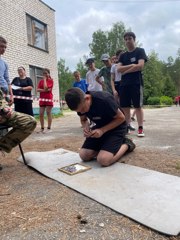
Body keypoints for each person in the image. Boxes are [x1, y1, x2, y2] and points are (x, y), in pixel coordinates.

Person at [65, 87, 135, 167]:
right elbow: (83, 120)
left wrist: (102, 130)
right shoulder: (80, 105)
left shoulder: (104, 99)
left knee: (103, 160)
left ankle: (127, 144)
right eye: (79, 111)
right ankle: (106, 148)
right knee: (84, 155)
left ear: (87, 98)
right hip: (100, 127)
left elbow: (121, 118)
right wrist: (86, 127)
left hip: (117, 127)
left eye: (83, 109)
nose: (82, 112)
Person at [117, 32, 147, 137]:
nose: (127, 41)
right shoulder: (123, 55)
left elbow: (140, 66)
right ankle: (128, 126)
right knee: (125, 106)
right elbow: (118, 69)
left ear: (134, 39)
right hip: (124, 84)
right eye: (125, 39)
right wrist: (132, 65)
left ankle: (140, 128)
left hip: (136, 83)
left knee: (138, 106)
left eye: (130, 38)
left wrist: (125, 71)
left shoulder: (140, 51)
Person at [0, 88, 37, 169]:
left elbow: (1, 100)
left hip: (3, 114)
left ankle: (2, 144)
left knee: (30, 122)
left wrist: (6, 108)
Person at [37, 68, 54, 133]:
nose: (44, 74)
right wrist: (44, 90)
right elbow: (38, 90)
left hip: (48, 98)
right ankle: (42, 128)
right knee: (41, 113)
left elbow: (46, 88)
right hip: (42, 99)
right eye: (43, 73)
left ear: (48, 74)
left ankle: (49, 128)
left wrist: (44, 80)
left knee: (48, 112)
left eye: (46, 73)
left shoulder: (51, 80)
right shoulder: (40, 81)